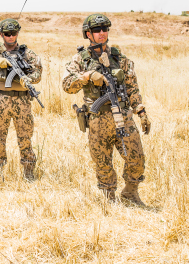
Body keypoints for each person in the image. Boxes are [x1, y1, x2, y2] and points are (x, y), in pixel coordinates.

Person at [62, 13, 151, 206]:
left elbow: (132, 88)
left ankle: (130, 193)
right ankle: (108, 198)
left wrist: (141, 112)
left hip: (123, 116)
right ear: (88, 34)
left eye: (105, 29)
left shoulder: (119, 58)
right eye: (96, 30)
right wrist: (86, 76)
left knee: (136, 157)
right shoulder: (80, 59)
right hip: (97, 119)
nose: (102, 33)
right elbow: (67, 85)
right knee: (102, 161)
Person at [0, 18, 42, 181]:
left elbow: (37, 74)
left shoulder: (27, 54)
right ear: (1, 34)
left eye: (13, 33)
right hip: (1, 99)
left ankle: (29, 173)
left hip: (22, 101)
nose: (10, 37)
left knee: (25, 138)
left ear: (18, 33)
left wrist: (27, 80)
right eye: (7, 34)